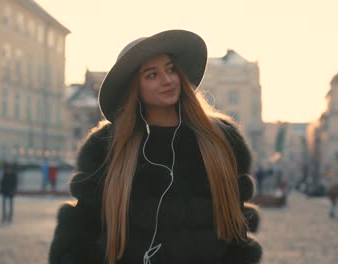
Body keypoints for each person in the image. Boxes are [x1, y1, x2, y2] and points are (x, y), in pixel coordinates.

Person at [49, 30, 262, 264]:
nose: (167, 80)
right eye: (152, 75)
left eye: (170, 69)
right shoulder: (106, 146)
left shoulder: (221, 139)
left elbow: (237, 228)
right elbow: (81, 228)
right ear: (134, 87)